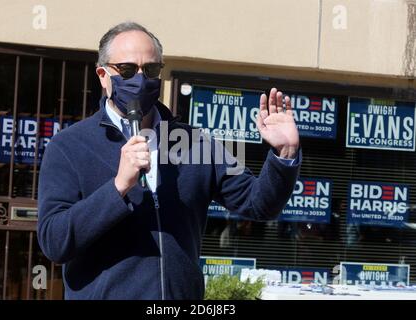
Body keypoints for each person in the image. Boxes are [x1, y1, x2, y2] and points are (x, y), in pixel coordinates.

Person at [37, 21, 301, 300]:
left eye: (150, 70)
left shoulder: (196, 144)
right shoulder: (69, 146)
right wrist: (118, 187)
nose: (140, 79)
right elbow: (55, 241)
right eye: (126, 70)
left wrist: (284, 153)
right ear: (103, 76)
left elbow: (258, 203)